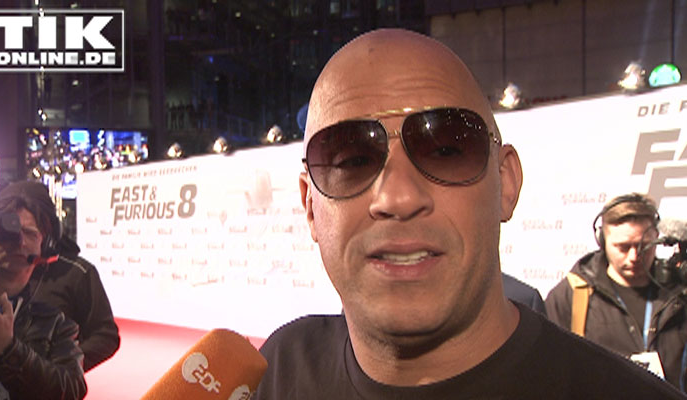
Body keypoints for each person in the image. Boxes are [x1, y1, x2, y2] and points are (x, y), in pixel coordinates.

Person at [252, 29, 686, 399]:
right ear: (311, 207)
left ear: (506, 184)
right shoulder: (280, 371)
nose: (398, 197)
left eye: (446, 151)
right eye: (352, 160)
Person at [546, 193, 687, 391]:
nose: (634, 256)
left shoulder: (679, 293)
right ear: (602, 241)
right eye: (623, 247)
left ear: (657, 237)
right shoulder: (572, 295)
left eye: (644, 246)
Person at [0, 181, 120, 372]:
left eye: (29, 233)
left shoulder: (78, 273)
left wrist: (62, 365)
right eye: (11, 231)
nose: (19, 242)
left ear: (47, 236)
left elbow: (105, 336)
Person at [0, 184, 86, 399]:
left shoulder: (55, 324)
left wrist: (8, 351)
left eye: (29, 233)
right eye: (7, 232)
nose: (18, 241)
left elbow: (71, 390)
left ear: (46, 246)